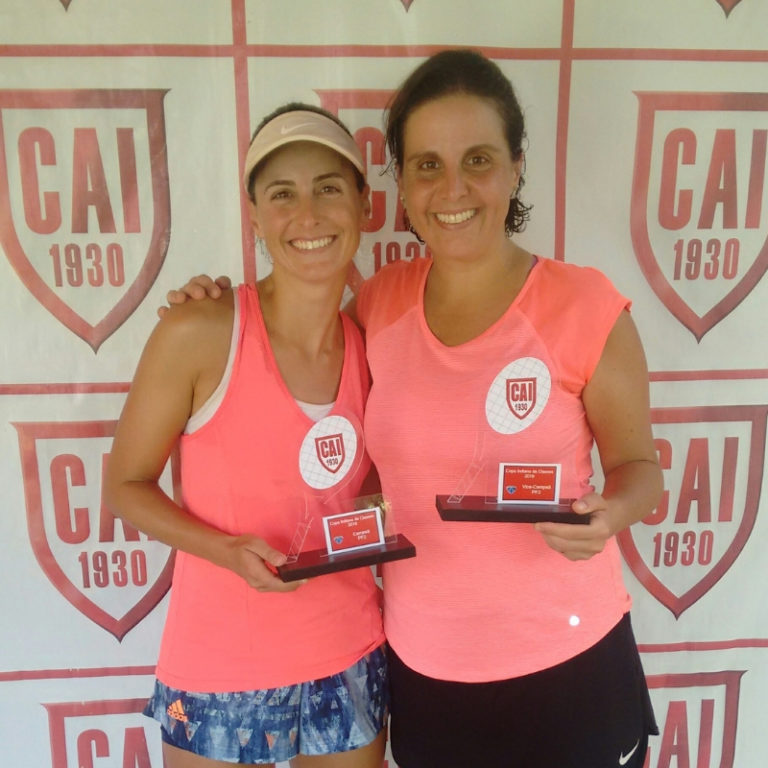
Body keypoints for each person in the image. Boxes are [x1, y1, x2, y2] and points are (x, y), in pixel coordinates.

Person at [167, 50, 664, 768]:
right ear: (401, 184)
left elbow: (641, 469)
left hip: (570, 664)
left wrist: (610, 514)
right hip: (426, 675)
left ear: (517, 167)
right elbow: (284, 363)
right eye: (428, 165)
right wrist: (211, 309)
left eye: (478, 160)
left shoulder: (585, 305)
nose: (452, 188)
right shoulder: (379, 303)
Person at [104, 104, 388, 768]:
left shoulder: (371, 343)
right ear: (254, 216)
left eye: (328, 188)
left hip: (349, 651)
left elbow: (369, 493)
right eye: (282, 194)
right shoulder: (201, 330)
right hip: (218, 666)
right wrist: (226, 551)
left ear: (365, 205)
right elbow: (124, 485)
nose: (307, 215)